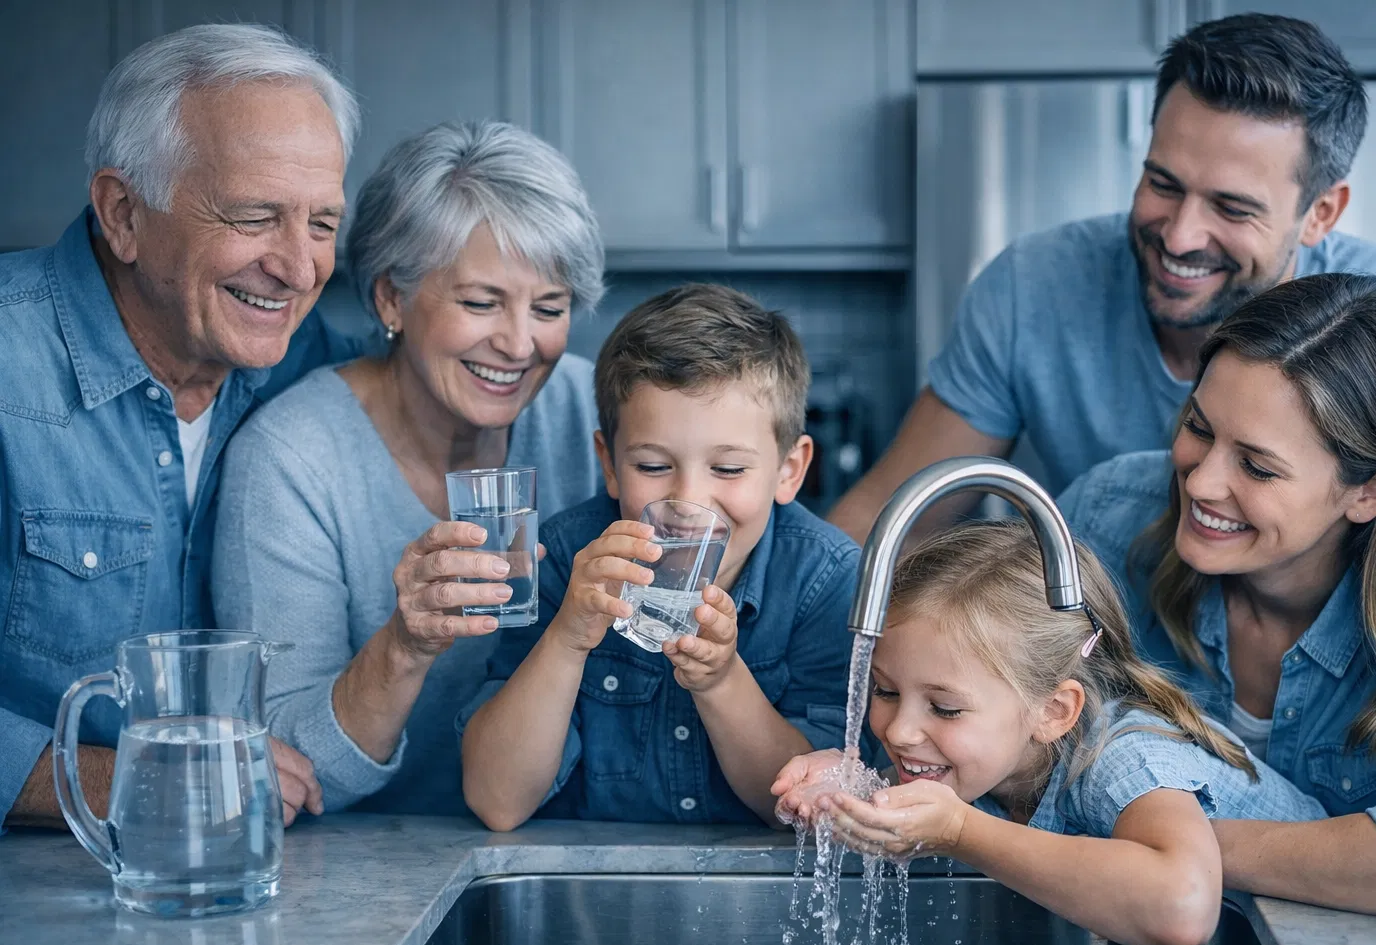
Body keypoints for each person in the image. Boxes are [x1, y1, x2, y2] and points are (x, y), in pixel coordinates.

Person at [828, 12, 1376, 543]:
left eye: (1231, 207)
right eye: (1163, 183)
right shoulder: (1032, 288)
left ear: (1321, 212)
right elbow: (896, 514)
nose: (1179, 235)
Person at [1057, 273, 1376, 928]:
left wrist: (1180, 851)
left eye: (1256, 466)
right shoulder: (1109, 514)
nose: (1201, 482)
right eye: (1198, 428)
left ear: (1371, 491)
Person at [0, 24, 369, 832]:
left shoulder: (313, 371)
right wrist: (141, 778)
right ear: (124, 213)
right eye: (252, 216)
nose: (301, 268)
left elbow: (450, 372)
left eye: (321, 223)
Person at [212, 121, 606, 815]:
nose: (519, 344)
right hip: (356, 871)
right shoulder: (292, 456)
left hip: (560, 839)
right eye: (481, 302)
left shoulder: (595, 414)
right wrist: (405, 645)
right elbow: (287, 775)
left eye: (550, 307)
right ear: (392, 298)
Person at [772, 519, 1324, 945]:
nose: (899, 728)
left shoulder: (1123, 759)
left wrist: (960, 832)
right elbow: (935, 799)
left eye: (944, 707)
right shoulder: (985, 756)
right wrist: (851, 783)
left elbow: (1181, 910)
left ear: (1054, 712)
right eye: (886, 691)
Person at [459, 284, 860, 829]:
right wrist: (568, 637)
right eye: (651, 466)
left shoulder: (825, 578)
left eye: (728, 469)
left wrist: (722, 682)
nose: (688, 503)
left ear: (789, 470)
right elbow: (497, 801)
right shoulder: (564, 560)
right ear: (609, 463)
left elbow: (804, 811)